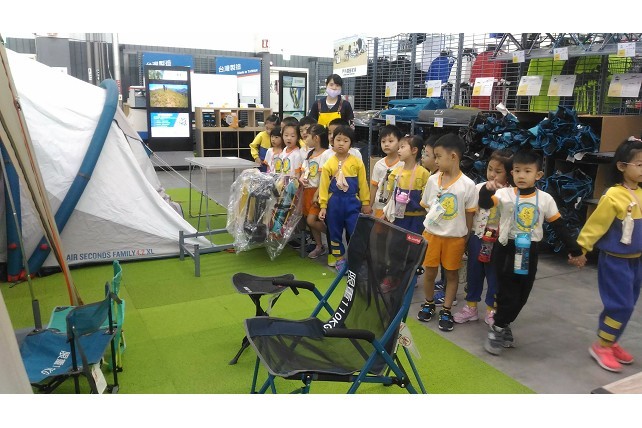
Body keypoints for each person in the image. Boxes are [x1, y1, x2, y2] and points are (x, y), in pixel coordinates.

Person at [479, 149, 583, 355]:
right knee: (507, 292)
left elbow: (559, 226)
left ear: (538, 175)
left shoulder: (545, 199)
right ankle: (498, 328)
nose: (521, 175)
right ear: (512, 173)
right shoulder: (504, 194)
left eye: (527, 171)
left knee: (522, 294)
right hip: (506, 249)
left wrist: (575, 250)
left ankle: (504, 323)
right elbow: (484, 204)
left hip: (529, 250)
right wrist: (486, 190)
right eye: (517, 171)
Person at [573, 137, 642, 372]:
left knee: (629, 304)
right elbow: (595, 226)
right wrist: (581, 250)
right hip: (615, 262)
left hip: (635, 262)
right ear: (622, 166)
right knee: (620, 304)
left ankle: (612, 341)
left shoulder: (641, 193)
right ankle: (602, 345)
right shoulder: (613, 195)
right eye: (639, 164)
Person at [417, 133, 477, 331]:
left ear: (453, 157)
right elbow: (427, 207)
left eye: (438, 156)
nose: (435, 161)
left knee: (451, 274)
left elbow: (469, 214)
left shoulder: (468, 185)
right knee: (429, 272)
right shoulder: (433, 181)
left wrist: (465, 237)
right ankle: (428, 303)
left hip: (455, 239)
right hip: (432, 236)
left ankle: (446, 309)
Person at [454, 149, 513, 326]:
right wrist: (466, 236)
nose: (492, 174)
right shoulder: (478, 188)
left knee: (495, 276)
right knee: (474, 273)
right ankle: (471, 307)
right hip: (477, 237)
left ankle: (492, 309)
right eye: (490, 169)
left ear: (509, 173)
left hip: (499, 242)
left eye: (498, 171)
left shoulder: (511, 193)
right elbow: (470, 212)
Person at [318, 125, 371, 273]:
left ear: (351, 144)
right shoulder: (329, 163)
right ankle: (339, 259)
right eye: (338, 140)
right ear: (332, 141)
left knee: (354, 232)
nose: (341, 143)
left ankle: (356, 260)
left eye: (345, 141)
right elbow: (323, 186)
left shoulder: (357, 162)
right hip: (334, 203)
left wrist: (365, 202)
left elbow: (363, 184)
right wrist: (323, 206)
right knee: (334, 232)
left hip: (352, 202)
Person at [300, 124, 333, 259]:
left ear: (316, 138)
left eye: (307, 136)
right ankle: (319, 246)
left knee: (311, 220)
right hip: (307, 192)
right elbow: (303, 172)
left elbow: (326, 177)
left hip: (317, 192)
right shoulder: (309, 154)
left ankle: (332, 235)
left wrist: (318, 193)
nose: (305, 138)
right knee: (310, 223)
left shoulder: (326, 155)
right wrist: (301, 178)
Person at [385, 135, 429, 234]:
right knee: (397, 241)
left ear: (414, 150)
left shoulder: (423, 174)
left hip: (417, 219)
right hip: (398, 218)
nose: (399, 151)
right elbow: (390, 196)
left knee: (415, 242)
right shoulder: (395, 173)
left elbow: (427, 200)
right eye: (398, 148)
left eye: (402, 147)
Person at [371, 125, 404, 219]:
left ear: (399, 142)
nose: (386, 144)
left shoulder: (403, 164)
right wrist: (369, 205)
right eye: (383, 141)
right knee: (380, 228)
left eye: (390, 141)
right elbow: (374, 186)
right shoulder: (379, 164)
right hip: (380, 207)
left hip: (396, 208)